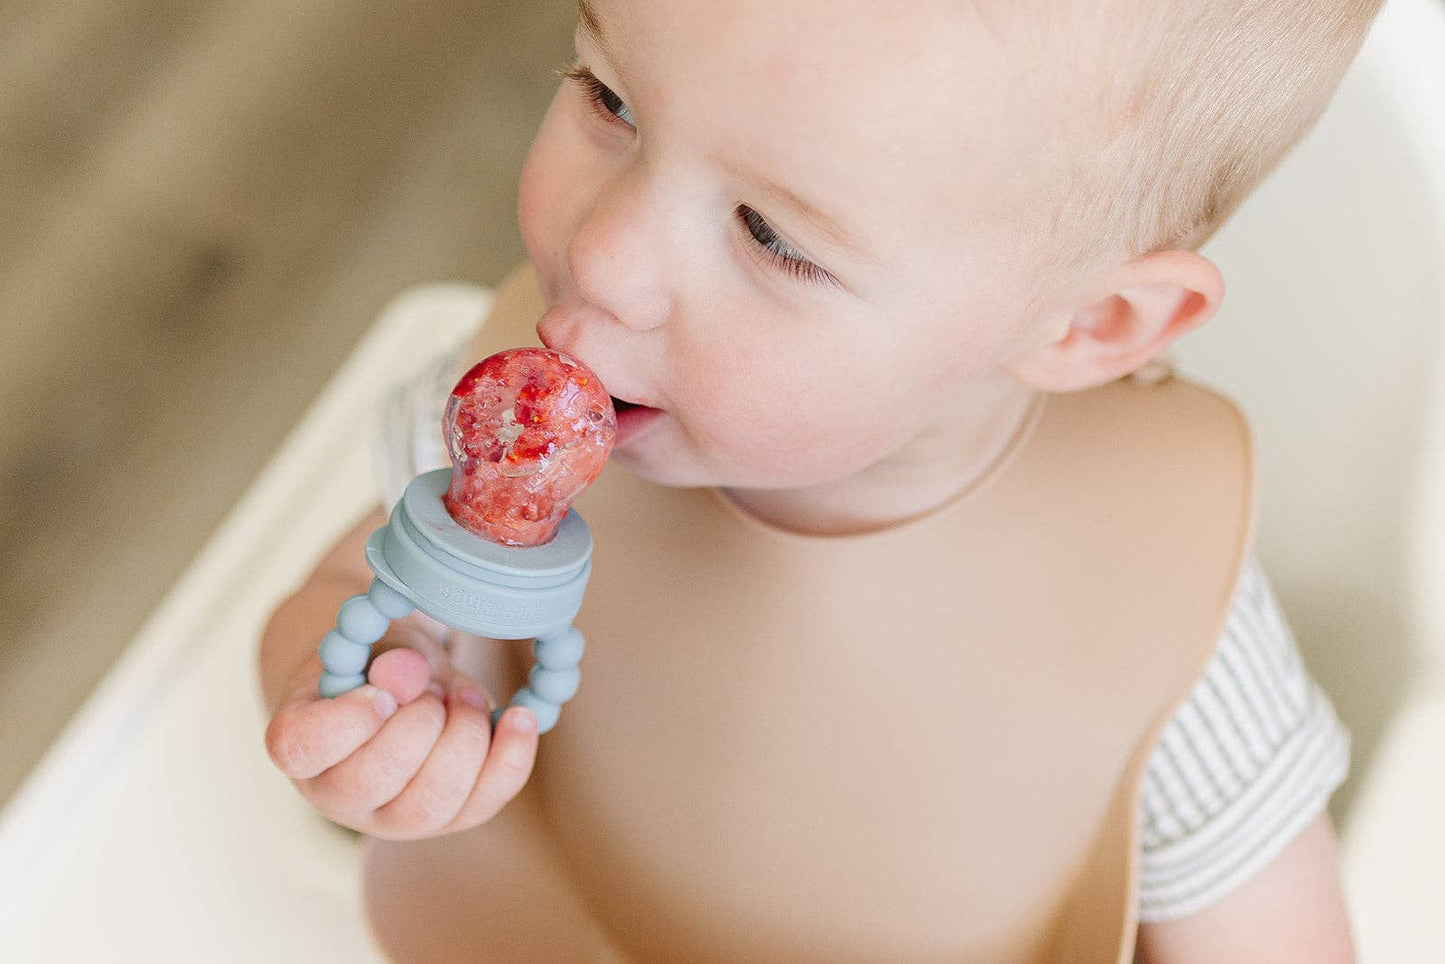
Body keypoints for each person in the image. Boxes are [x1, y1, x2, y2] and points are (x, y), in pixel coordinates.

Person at [258, 0, 1378, 959]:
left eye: (768, 233)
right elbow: (347, 595)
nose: (603, 256)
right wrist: (363, 705)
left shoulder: (1155, 613)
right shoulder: (509, 416)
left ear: (1089, 324)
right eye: (611, 100)